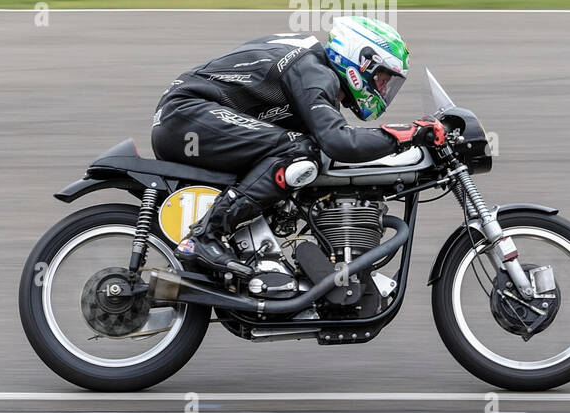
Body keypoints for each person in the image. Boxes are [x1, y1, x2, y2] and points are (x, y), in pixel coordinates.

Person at [150, 16, 444, 274]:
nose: (382, 89)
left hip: (190, 120)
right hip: (187, 115)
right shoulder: (313, 70)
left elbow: (333, 142)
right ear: (360, 60)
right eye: (381, 79)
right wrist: (407, 134)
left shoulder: (313, 70)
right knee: (299, 151)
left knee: (301, 155)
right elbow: (339, 141)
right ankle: (205, 236)